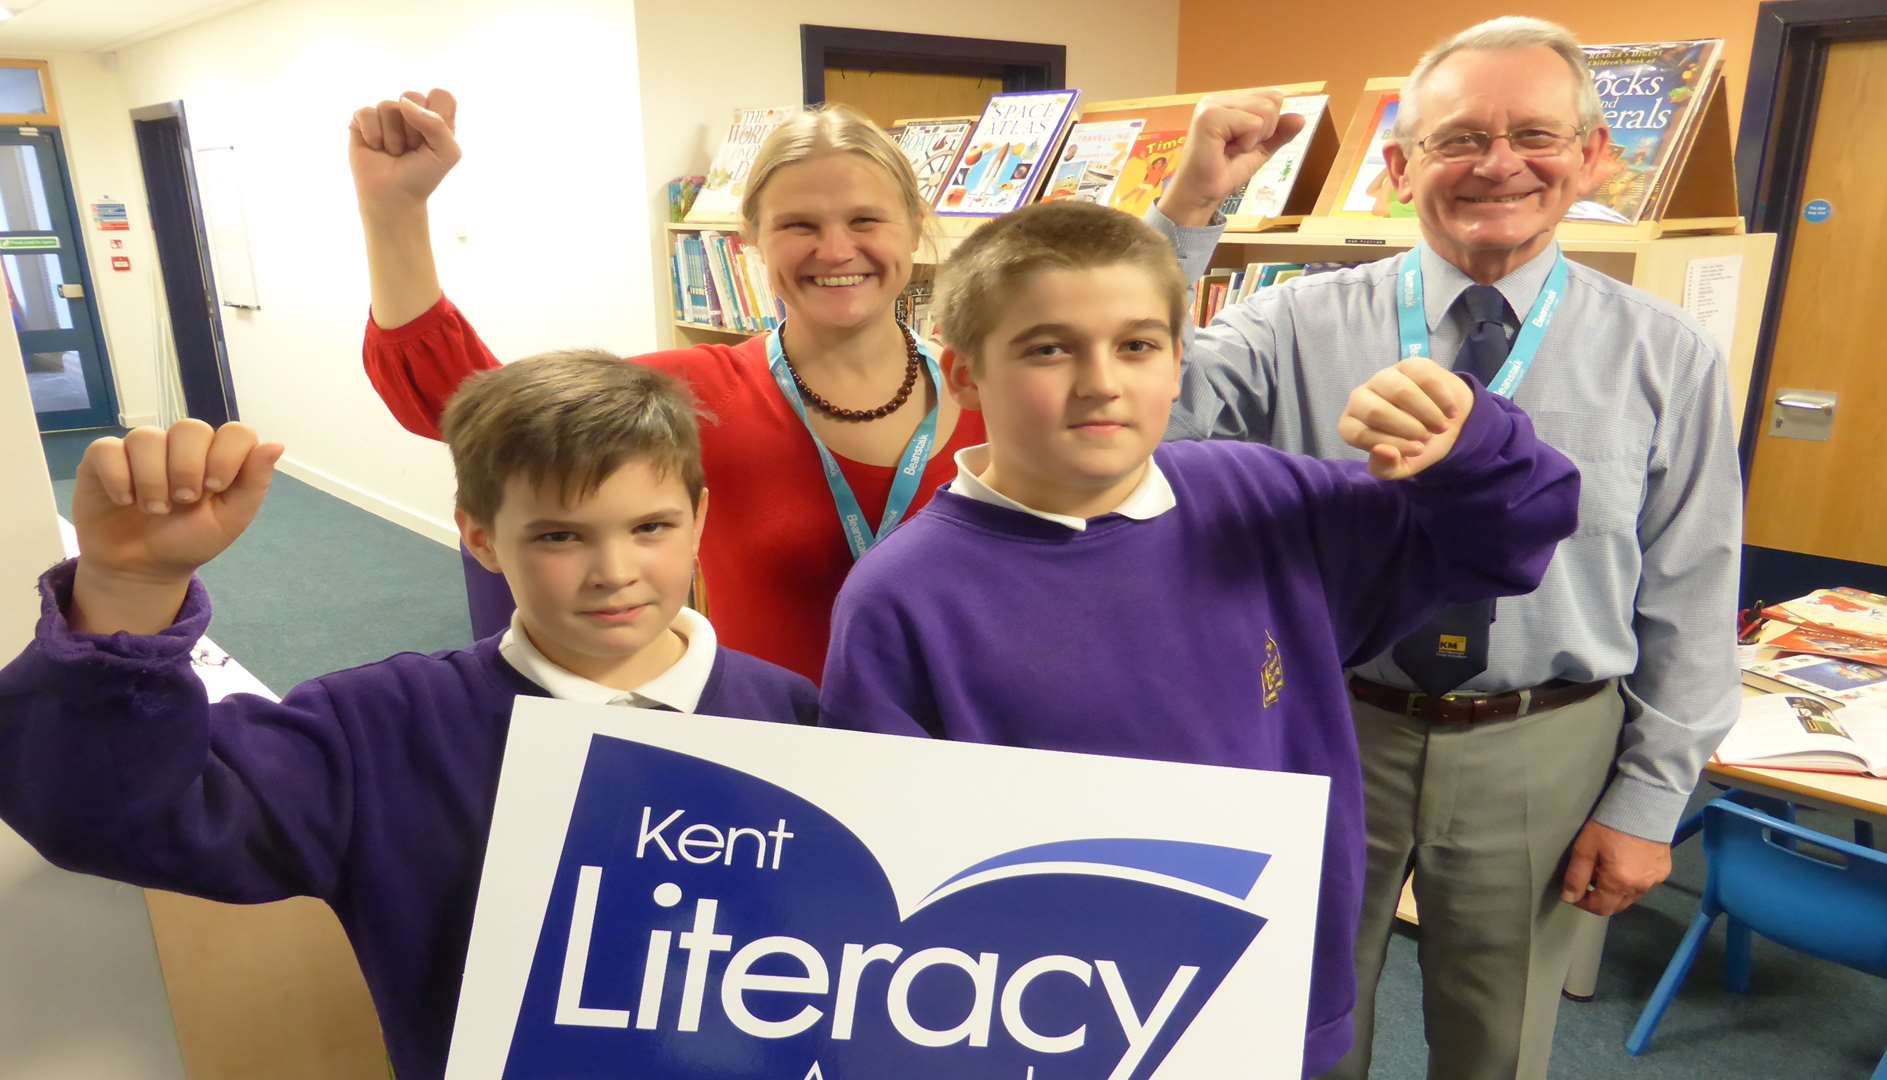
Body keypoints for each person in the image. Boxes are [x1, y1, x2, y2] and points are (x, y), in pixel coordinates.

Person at [817, 199, 1581, 1077]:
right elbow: (890, 867)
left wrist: (1469, 442)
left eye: (1137, 345)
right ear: (964, 375)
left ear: (1180, 364)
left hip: (1271, 991)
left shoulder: (1258, 498)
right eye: (1048, 347)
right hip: (1046, 1024)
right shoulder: (901, 597)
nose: (1101, 380)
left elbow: (1506, 541)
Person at [1147, 16, 1742, 1078]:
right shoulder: (1292, 324)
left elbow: (1693, 592)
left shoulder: (1667, 356)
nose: (1500, 163)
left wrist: (1651, 802)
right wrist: (1194, 211)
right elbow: (1136, 409)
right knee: (1291, 1027)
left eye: (1536, 134)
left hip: (1545, 746)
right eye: (1460, 137)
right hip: (1330, 720)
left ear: (1593, 158)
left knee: (1497, 1047)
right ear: (1399, 165)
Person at [0, 352, 817, 1080]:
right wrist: (129, 593)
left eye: (651, 528)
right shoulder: (374, 730)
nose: (614, 572)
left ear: (700, 519)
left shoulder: (794, 715)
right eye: (560, 536)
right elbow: (107, 819)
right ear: (481, 539)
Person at [351, 91, 983, 682]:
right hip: (779, 744)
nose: (837, 249)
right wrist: (395, 213)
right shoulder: (699, 394)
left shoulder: (994, 390)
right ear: (752, 239)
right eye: (799, 226)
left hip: (968, 745)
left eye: (865, 220)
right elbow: (470, 407)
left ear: (915, 225)